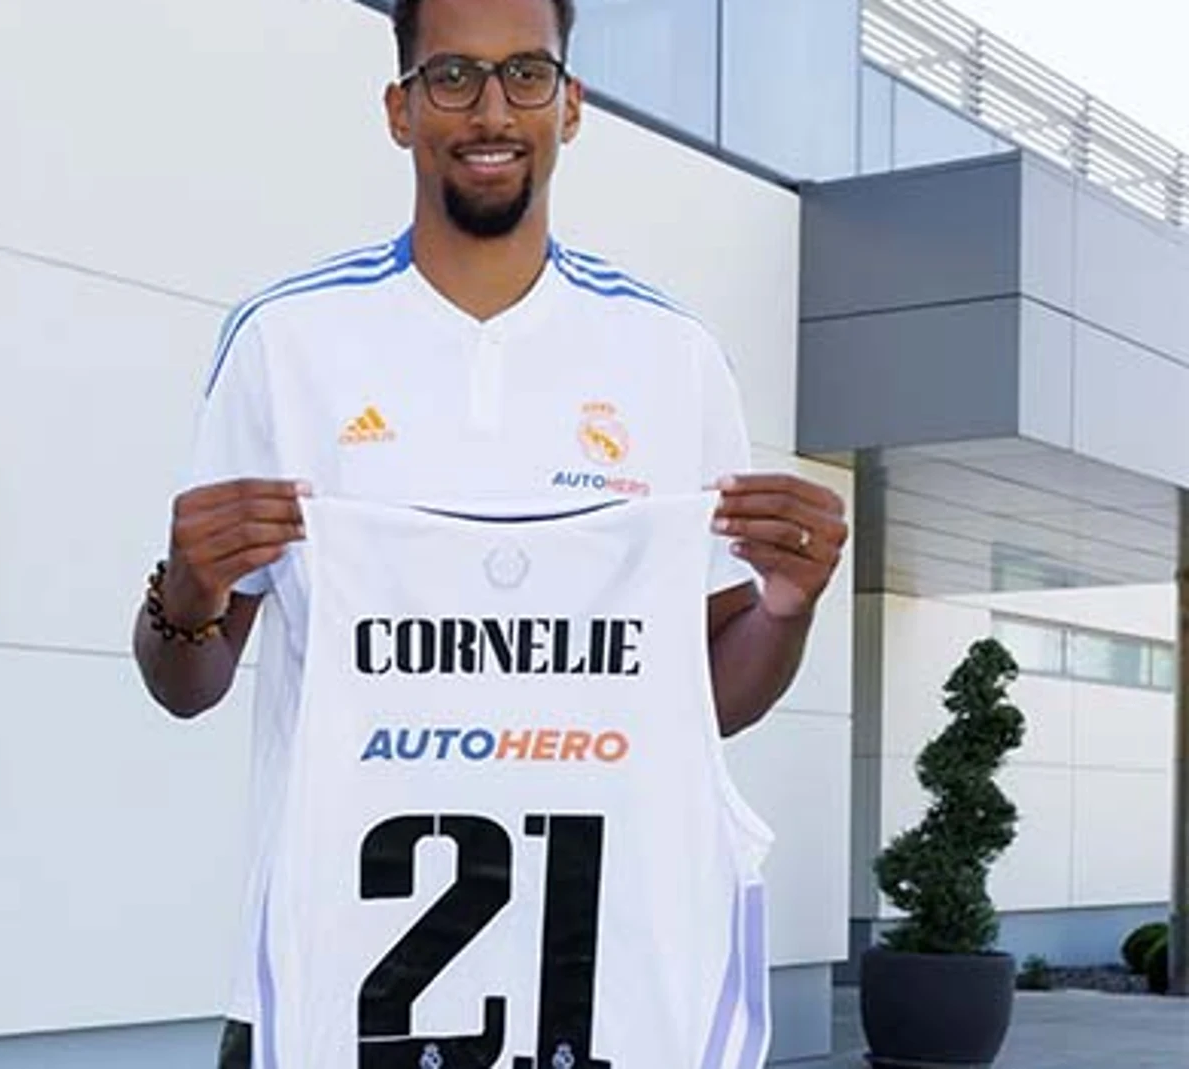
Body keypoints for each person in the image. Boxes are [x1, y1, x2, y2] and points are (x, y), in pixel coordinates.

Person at [132, 0, 848, 1064]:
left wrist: (787, 611)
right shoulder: (288, 341)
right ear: (400, 109)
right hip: (326, 993)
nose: (491, 111)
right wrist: (184, 591)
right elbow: (187, 683)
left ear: (571, 104)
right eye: (453, 76)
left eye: (524, 74)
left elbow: (704, 702)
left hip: (595, 1000)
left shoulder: (670, 357)